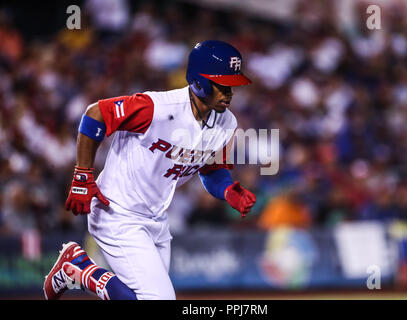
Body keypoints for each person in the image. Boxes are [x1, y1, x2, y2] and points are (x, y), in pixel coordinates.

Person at [43, 40, 256, 300]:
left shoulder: (227, 122)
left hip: (155, 220)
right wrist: (82, 175)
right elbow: (95, 114)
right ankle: (80, 269)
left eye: (232, 85)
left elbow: (212, 169)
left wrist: (227, 189)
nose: (230, 93)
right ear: (199, 82)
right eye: (223, 84)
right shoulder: (157, 108)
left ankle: (78, 269)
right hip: (117, 211)